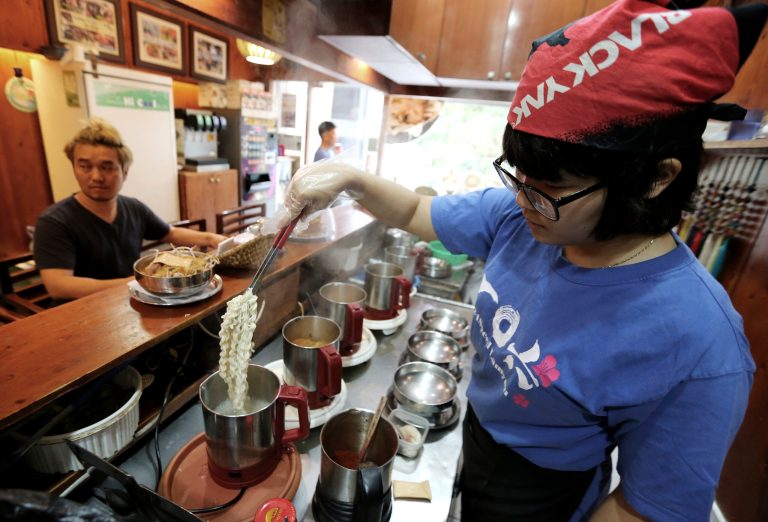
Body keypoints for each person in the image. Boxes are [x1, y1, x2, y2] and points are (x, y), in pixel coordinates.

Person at [285, 1, 768, 520]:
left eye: (551, 187)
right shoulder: (521, 220)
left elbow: (646, 509)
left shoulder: (698, 343)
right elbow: (414, 208)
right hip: (477, 432)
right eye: (519, 177)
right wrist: (350, 177)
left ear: (656, 178)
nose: (523, 200)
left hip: (545, 493)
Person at [34, 118, 225, 300]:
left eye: (107, 168)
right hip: (82, 314)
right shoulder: (54, 221)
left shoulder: (133, 208)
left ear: (125, 172)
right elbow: (59, 286)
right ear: (74, 168)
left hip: (128, 302)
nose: (96, 176)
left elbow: (170, 233)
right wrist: (139, 281)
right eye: (85, 166)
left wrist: (213, 239)